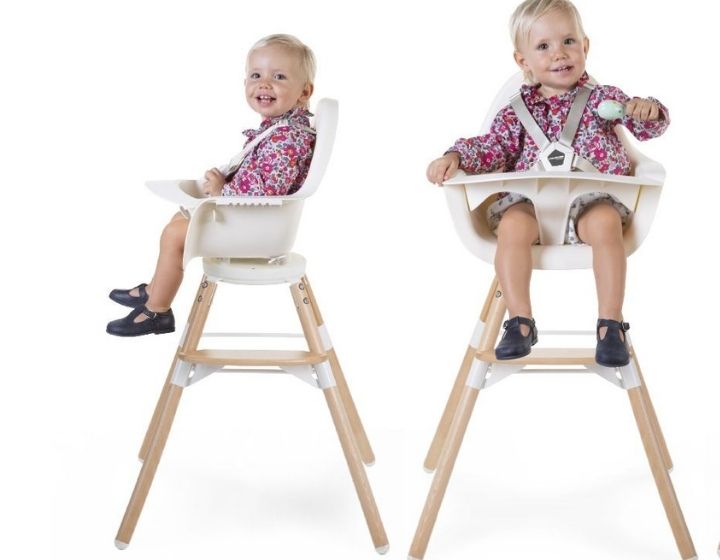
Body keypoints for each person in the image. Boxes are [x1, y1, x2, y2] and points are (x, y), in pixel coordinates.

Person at [426, 0, 669, 366]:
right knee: (511, 225)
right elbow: (492, 149)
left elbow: (645, 128)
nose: (559, 53)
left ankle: (611, 324)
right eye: (543, 46)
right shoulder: (515, 113)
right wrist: (455, 157)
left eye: (569, 41)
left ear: (585, 46)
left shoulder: (604, 100)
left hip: (592, 200)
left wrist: (645, 110)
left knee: (605, 224)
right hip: (533, 208)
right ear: (523, 61)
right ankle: (520, 320)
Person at [107, 34, 316, 336]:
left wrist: (221, 192)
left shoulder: (286, 140)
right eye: (256, 75)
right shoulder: (278, 129)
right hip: (251, 219)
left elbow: (267, 193)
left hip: (259, 226)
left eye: (279, 77)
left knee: (176, 234)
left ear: (303, 92)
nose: (264, 83)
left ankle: (157, 312)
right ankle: (156, 288)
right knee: (179, 219)